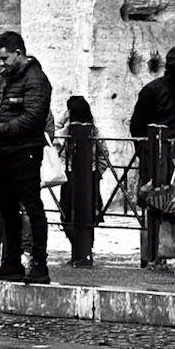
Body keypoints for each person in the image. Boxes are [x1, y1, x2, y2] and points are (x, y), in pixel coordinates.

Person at [0, 30, 53, 285]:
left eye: (4, 58)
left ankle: (39, 265)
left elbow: (33, 117)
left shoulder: (36, 79)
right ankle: (11, 263)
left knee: (32, 207)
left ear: (18, 53)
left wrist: (0, 130)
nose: (1, 64)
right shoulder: (10, 78)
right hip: (6, 150)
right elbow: (8, 112)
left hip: (26, 151)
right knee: (7, 208)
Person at [130, 43, 175, 265]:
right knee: (154, 200)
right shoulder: (153, 90)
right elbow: (137, 126)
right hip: (157, 155)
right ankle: (152, 255)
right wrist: (145, 154)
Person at [56, 93, 110, 260]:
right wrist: (98, 172)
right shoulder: (89, 131)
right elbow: (104, 154)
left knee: (77, 213)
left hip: (78, 175)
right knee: (78, 213)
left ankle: (82, 250)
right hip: (80, 175)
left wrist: (97, 172)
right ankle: (82, 249)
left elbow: (103, 155)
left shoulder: (85, 132)